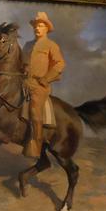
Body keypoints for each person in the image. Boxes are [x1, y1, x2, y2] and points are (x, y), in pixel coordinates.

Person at [24, 10, 64, 158]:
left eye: (40, 25)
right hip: (24, 81)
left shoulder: (51, 45)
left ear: (47, 28)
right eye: (35, 26)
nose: (37, 28)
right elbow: (22, 62)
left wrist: (46, 79)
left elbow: (59, 64)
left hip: (39, 85)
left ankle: (35, 144)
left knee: (35, 109)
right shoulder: (28, 45)